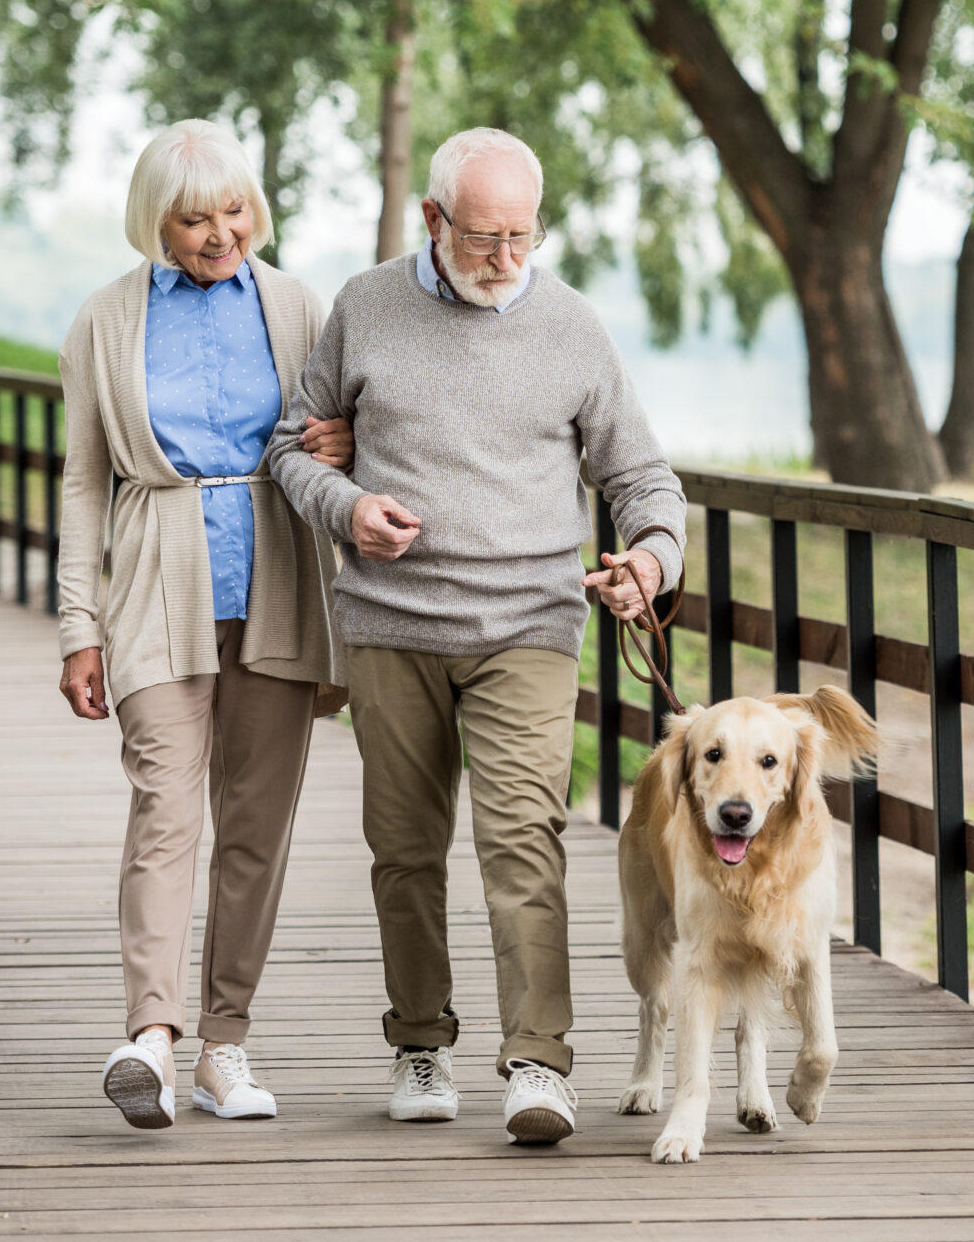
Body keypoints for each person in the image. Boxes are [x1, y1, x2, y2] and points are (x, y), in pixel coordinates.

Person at [267, 126, 685, 1146]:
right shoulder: (366, 307)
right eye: (484, 236)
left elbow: (641, 477)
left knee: (520, 839)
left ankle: (538, 1060)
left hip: (528, 623)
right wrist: (346, 507)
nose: (506, 259)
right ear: (432, 220)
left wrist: (651, 559)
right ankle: (420, 1040)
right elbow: (290, 444)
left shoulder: (573, 327)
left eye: (523, 236)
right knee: (404, 849)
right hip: (391, 622)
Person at [56, 121, 348, 1131]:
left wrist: (342, 441)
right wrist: (76, 624)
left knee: (255, 827)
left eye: (233, 210)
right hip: (153, 579)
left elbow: (331, 441)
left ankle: (226, 1043)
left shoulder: (299, 305)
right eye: (194, 218)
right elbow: (84, 480)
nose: (220, 233)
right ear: (157, 221)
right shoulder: (106, 318)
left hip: (275, 578)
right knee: (164, 810)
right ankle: (153, 1036)